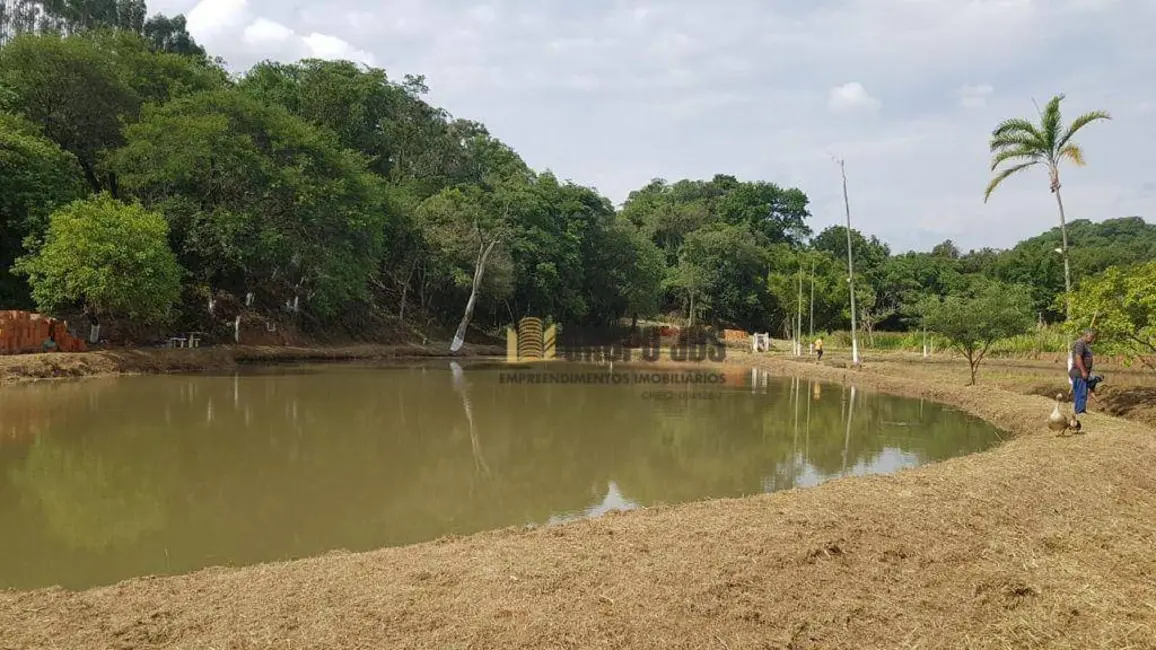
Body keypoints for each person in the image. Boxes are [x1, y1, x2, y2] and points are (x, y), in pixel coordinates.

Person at [1069, 328, 1097, 415]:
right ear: (1086, 335)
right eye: (1091, 337)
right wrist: (1083, 371)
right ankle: (1079, 411)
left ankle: (1081, 409)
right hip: (1078, 372)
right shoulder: (1080, 343)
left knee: (1083, 392)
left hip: (1083, 373)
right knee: (1080, 392)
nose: (1092, 339)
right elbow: (1078, 357)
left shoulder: (1085, 344)